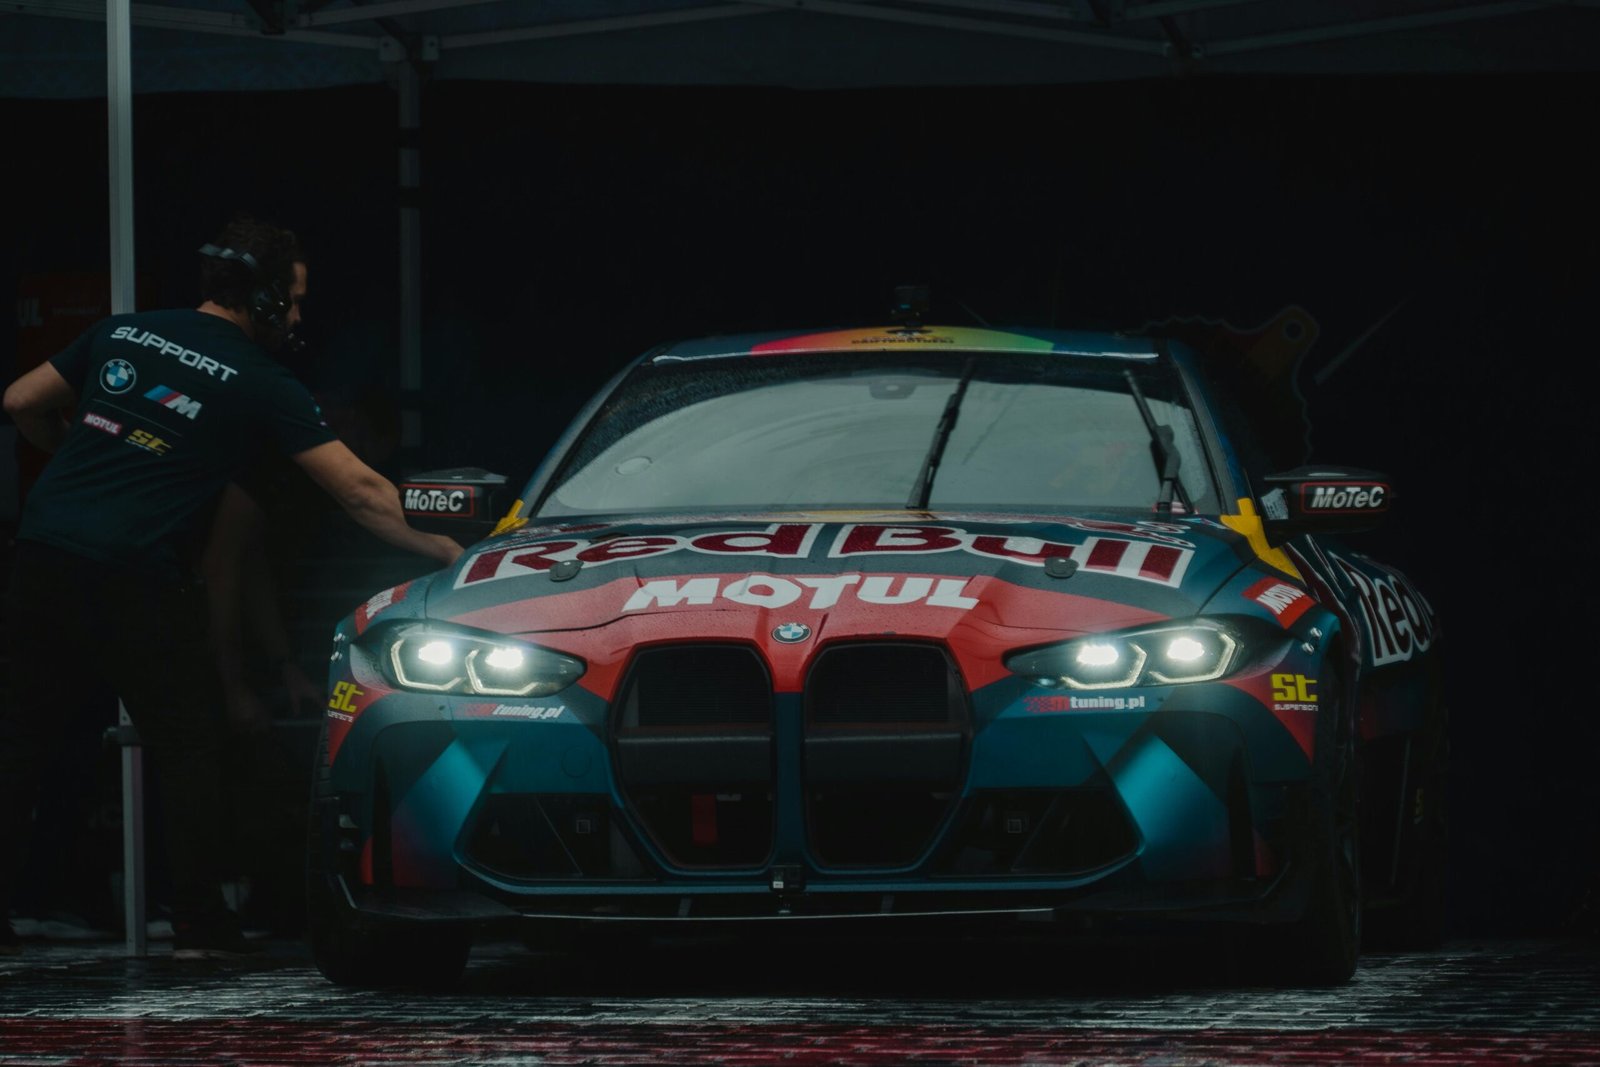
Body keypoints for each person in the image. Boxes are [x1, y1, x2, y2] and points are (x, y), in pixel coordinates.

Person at [0, 216, 462, 957]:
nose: (302, 318)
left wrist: (76, 465)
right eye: (297, 301)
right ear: (266, 300)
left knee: (17, 742)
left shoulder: (122, 332)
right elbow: (360, 491)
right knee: (189, 744)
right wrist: (444, 545)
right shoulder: (260, 380)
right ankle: (198, 919)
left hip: (44, 555)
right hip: (136, 574)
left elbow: (21, 401)